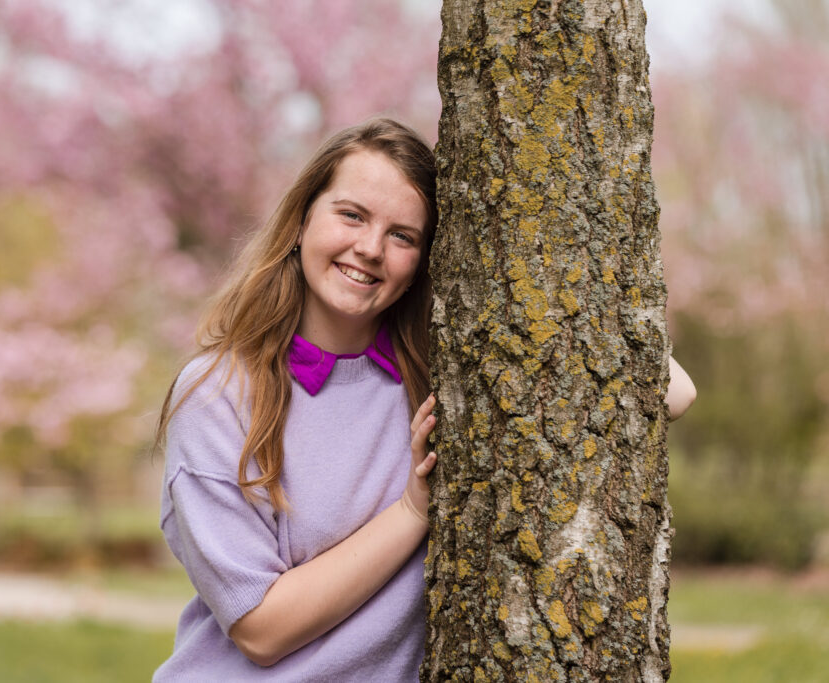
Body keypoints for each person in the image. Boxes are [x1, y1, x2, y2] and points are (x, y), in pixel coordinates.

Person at [152, 117, 695, 681]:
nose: (369, 249)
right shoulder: (219, 395)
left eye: (403, 236)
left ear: (424, 265)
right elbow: (260, 628)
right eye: (352, 215)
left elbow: (676, 393)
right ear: (301, 221)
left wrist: (553, 264)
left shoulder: (446, 374)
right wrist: (413, 510)